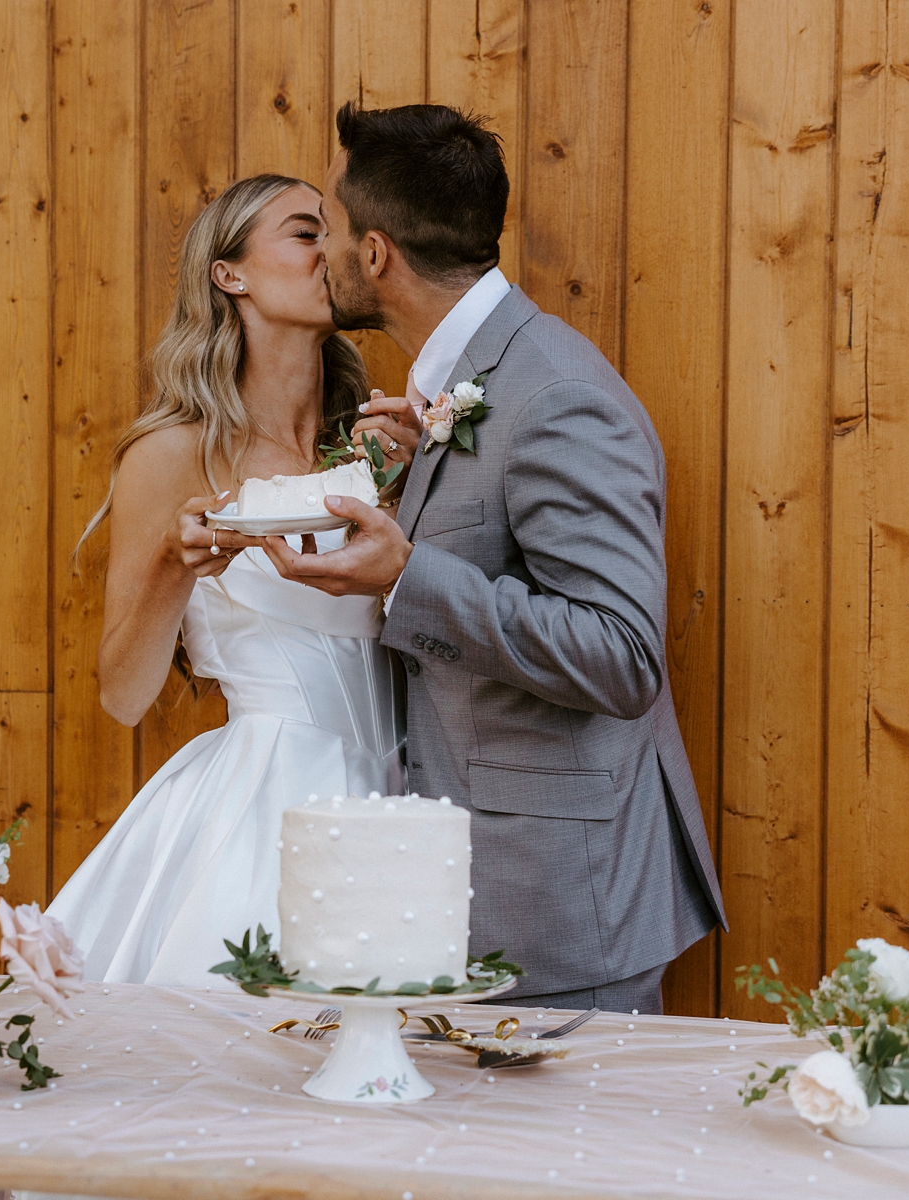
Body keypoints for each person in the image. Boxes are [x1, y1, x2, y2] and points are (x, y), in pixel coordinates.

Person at [260, 103, 728, 1015]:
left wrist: (407, 576)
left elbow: (622, 654)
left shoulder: (553, 395)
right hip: (475, 893)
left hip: (561, 909)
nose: (322, 255)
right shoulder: (474, 385)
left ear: (377, 254)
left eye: (335, 232)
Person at [46, 175, 404, 986]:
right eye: (306, 232)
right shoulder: (172, 455)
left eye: (337, 233)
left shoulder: (377, 442)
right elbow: (123, 696)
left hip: (411, 790)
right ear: (229, 274)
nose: (331, 251)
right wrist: (175, 568)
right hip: (269, 801)